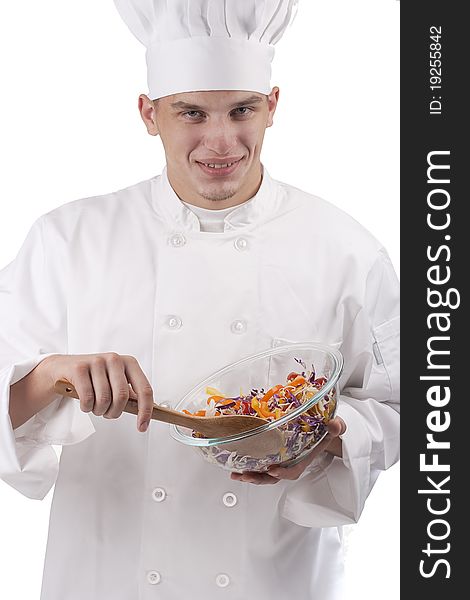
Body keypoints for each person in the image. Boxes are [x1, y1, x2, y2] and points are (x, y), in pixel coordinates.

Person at [0, 1, 399, 599]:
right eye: (191, 113)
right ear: (148, 114)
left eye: (242, 109)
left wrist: (325, 438)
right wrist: (50, 375)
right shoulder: (68, 240)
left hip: (275, 582)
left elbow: (414, 404)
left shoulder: (345, 248)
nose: (221, 141)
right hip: (106, 580)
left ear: (273, 109)